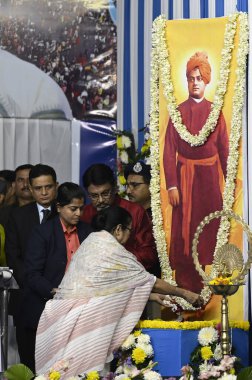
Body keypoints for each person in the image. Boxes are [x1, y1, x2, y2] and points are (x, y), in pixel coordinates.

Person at [35, 206, 202, 378]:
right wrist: (185, 294)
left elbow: (107, 288)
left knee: (70, 372)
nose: (130, 235)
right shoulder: (111, 248)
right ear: (118, 230)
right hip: (89, 321)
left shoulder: (91, 242)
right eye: (129, 230)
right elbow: (149, 280)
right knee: (86, 372)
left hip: (68, 318)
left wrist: (150, 296)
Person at [163, 51, 229, 293]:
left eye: (199, 78)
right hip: (184, 180)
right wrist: (172, 185)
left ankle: (213, 289)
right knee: (185, 236)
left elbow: (224, 149)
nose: (195, 83)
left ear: (207, 81)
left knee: (210, 231)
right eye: (191, 78)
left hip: (209, 181)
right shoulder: (177, 112)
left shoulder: (215, 112)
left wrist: (229, 186)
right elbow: (169, 151)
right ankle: (186, 289)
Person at [20, 182, 93, 371]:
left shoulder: (87, 231)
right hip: (45, 308)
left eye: (81, 209)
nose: (78, 213)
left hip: (78, 309)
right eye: (73, 209)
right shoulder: (42, 233)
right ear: (59, 207)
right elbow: (32, 274)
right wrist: (55, 291)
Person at [5, 164, 58, 367]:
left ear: (56, 186)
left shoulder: (65, 213)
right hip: (27, 297)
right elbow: (13, 256)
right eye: (38, 188)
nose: (44, 192)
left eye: (48, 187)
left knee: (58, 362)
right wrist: (36, 284)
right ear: (30, 188)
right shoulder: (17, 216)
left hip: (58, 297)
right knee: (28, 360)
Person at [81, 163, 160, 276]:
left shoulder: (135, 211)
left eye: (105, 193)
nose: (101, 200)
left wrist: (117, 258)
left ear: (114, 188)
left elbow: (149, 254)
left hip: (130, 276)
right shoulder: (85, 213)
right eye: (94, 196)